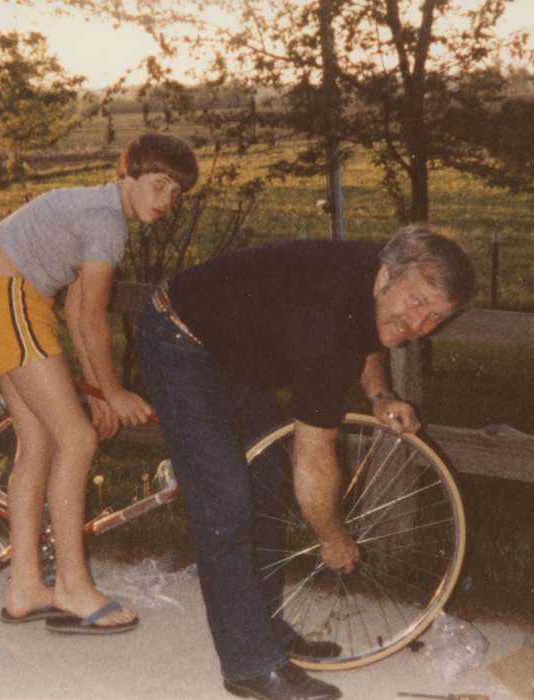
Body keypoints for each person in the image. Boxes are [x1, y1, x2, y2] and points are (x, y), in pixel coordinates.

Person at [135, 223, 475, 698]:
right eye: (416, 303)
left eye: (436, 317)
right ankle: (250, 666)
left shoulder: (375, 282)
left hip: (240, 349)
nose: (419, 325)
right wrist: (332, 538)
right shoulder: (324, 327)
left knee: (265, 481)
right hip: (179, 336)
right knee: (227, 504)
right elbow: (315, 460)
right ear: (385, 277)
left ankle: (267, 632)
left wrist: (379, 394)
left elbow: (376, 336)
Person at [0, 132, 198, 634]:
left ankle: (25, 586)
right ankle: (72, 585)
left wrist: (97, 392)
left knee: (40, 441)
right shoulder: (106, 222)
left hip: (11, 300)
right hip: (9, 298)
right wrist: (113, 392)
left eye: (176, 195)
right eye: (158, 185)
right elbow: (92, 319)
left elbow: (74, 310)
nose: (166, 202)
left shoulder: (102, 212)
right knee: (77, 439)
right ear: (128, 174)